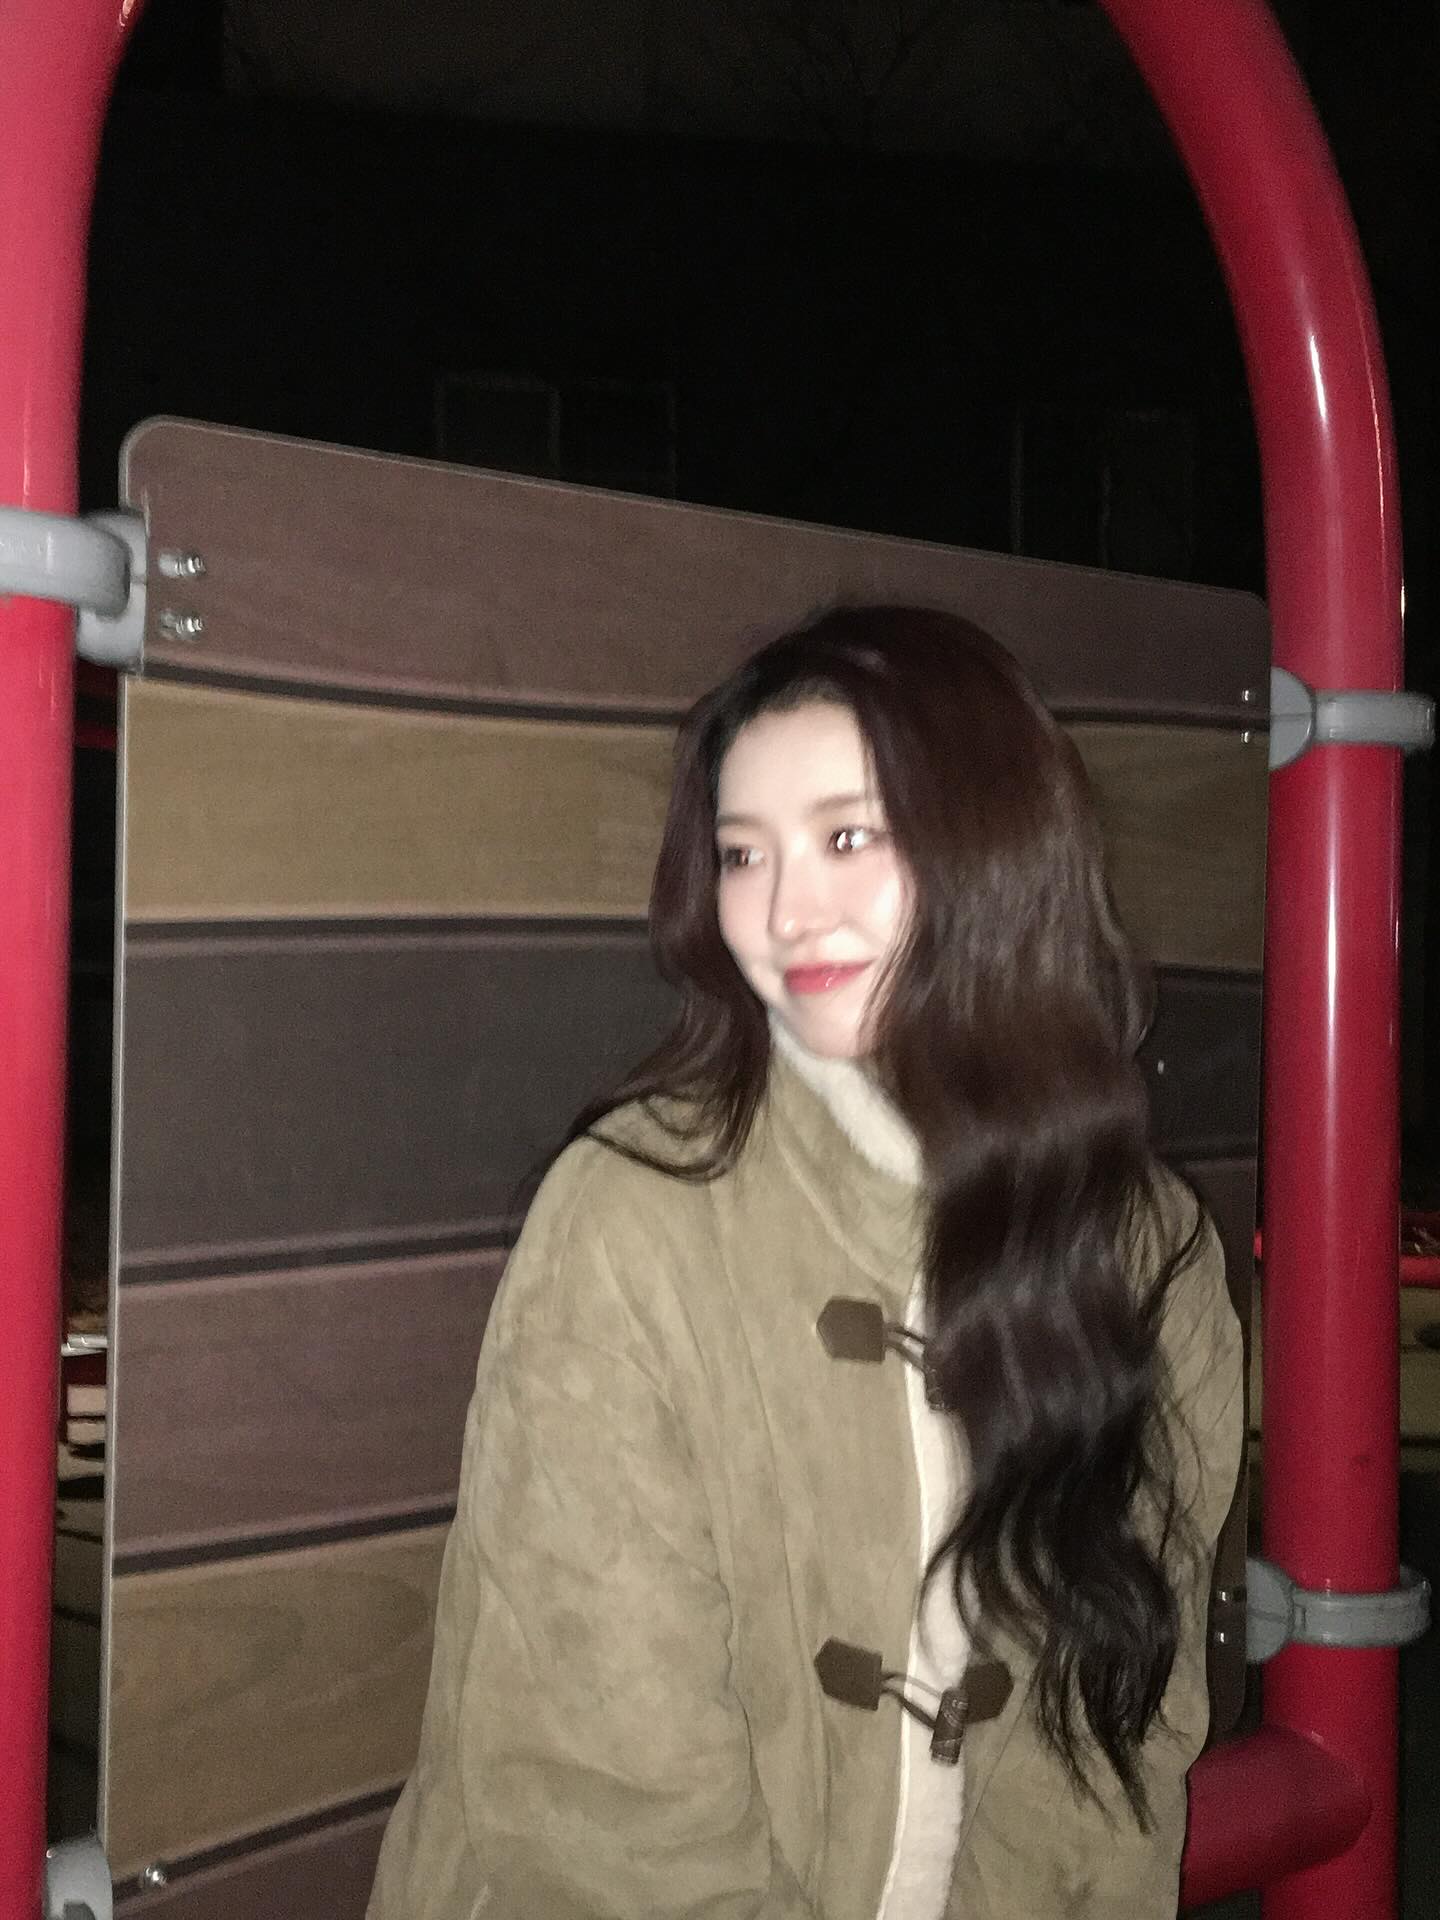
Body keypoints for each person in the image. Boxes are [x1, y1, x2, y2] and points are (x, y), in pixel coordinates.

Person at [367, 604, 1244, 1920]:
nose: (782, 911)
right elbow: (606, 1804)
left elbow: (1119, 1738)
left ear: (996, 849)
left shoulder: (1145, 1248)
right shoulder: (631, 1221)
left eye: (846, 837)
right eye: (742, 853)